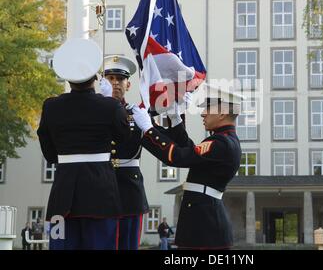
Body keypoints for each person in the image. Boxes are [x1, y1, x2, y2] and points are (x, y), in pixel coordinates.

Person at [37, 38, 130, 250]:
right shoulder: (109, 107)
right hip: (101, 194)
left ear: (68, 78)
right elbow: (124, 138)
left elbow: (50, 153)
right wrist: (114, 105)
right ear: (96, 77)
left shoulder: (51, 107)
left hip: (63, 194)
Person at [132, 84, 243, 249]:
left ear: (222, 113)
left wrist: (148, 129)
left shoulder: (220, 143)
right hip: (204, 216)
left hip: (204, 222)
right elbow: (189, 151)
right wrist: (177, 121)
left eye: (208, 108)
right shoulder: (224, 140)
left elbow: (178, 156)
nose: (203, 113)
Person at [103, 55, 149, 250]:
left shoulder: (136, 113)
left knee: (128, 245)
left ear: (128, 85)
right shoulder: (94, 112)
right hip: (101, 184)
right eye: (110, 78)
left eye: (120, 79)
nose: (115, 83)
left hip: (129, 188)